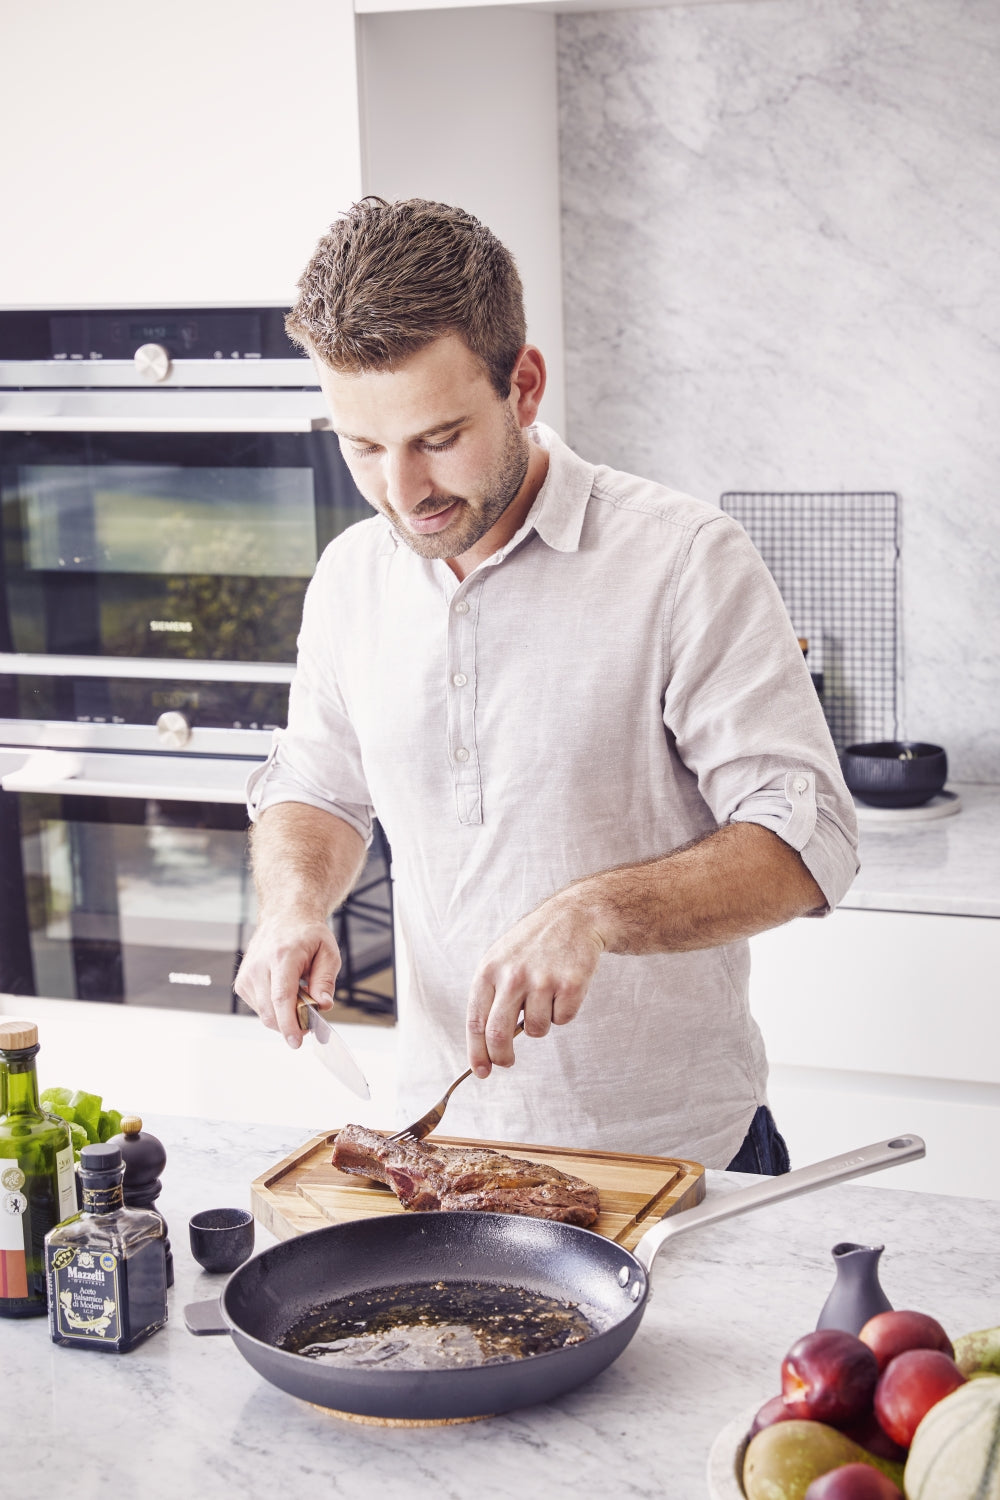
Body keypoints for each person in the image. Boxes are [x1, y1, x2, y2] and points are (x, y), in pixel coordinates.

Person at [234, 196, 859, 1171]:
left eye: (438, 438)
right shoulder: (354, 576)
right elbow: (318, 786)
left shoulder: (681, 559)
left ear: (522, 386)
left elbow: (808, 840)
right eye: (363, 447)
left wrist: (595, 912)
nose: (402, 491)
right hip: (443, 1153)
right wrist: (292, 906)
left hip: (675, 1159)